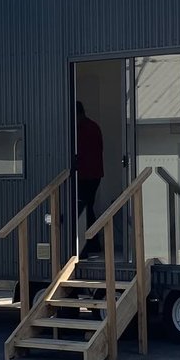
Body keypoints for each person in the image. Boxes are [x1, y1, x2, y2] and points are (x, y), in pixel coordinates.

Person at [74, 102, 105, 254]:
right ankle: (92, 242)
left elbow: (80, 153)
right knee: (88, 208)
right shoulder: (94, 127)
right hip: (94, 174)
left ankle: (89, 244)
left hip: (85, 174)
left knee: (84, 209)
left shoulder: (82, 130)